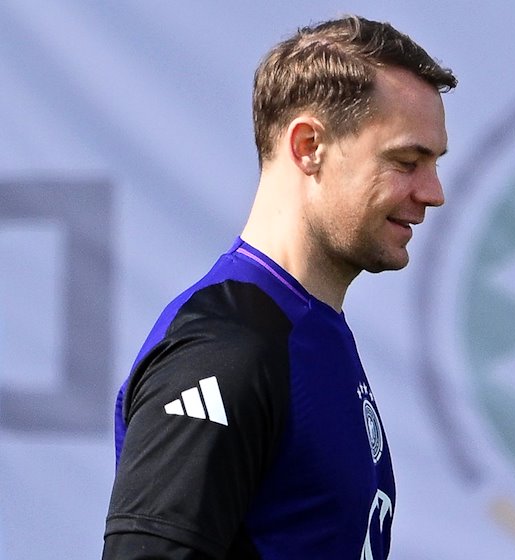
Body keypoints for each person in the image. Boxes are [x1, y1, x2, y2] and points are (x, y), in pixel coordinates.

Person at [103, 15, 457, 559]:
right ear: (309, 145)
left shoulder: (310, 329)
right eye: (407, 161)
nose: (432, 193)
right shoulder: (225, 350)